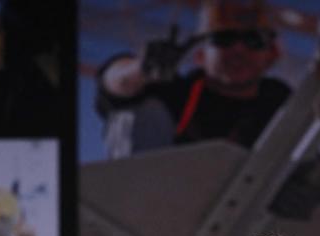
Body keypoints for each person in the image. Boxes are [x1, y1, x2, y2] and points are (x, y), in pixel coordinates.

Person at [95, 0, 291, 156]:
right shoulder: (176, 93)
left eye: (254, 40)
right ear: (200, 56)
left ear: (272, 54)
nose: (238, 50)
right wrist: (142, 68)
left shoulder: (281, 101)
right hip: (161, 195)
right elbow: (114, 85)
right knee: (139, 111)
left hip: (248, 200)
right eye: (223, 39)